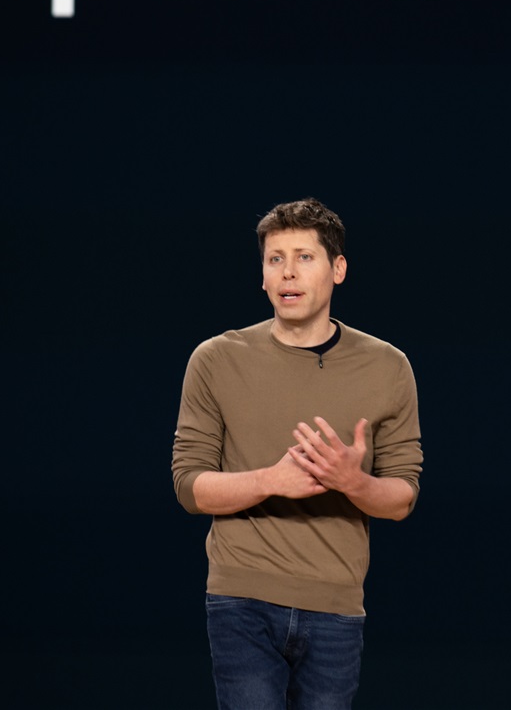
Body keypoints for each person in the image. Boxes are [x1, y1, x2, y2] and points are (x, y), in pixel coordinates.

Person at [171, 197, 423, 710]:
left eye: (304, 257)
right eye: (275, 259)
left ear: (338, 269)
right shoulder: (215, 359)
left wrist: (354, 482)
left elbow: (402, 498)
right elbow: (189, 487)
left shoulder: (388, 366)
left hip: (336, 605)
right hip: (240, 599)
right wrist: (271, 480)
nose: (288, 272)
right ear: (262, 276)